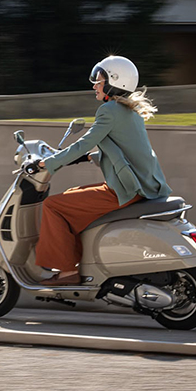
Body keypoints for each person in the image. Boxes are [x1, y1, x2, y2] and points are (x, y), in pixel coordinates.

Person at [34, 55, 172, 286]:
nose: (94, 86)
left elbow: (84, 142)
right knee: (71, 195)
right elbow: (126, 151)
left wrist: (47, 163)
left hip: (127, 189)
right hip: (143, 184)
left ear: (113, 83)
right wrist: (90, 158)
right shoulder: (129, 111)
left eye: (98, 81)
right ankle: (80, 261)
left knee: (54, 206)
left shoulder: (109, 110)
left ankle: (67, 271)